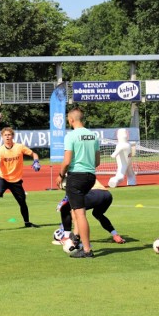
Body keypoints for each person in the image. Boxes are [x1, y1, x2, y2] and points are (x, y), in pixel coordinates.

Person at [56, 107, 100, 258]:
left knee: (80, 214)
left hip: (76, 177)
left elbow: (67, 161)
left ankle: (87, 250)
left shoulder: (71, 136)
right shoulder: (93, 136)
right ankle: (76, 236)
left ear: (71, 120)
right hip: (90, 176)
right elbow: (97, 162)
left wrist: (60, 175)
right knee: (75, 209)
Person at [0, 127, 41, 230]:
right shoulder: (0, 150)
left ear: (12, 136)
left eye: (9, 135)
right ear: (2, 137)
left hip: (16, 180)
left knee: (22, 202)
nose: (7, 137)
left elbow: (34, 154)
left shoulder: (19, 147)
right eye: (5, 135)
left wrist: (36, 161)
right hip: (3, 178)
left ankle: (27, 222)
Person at [56, 179, 125, 246]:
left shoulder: (71, 174)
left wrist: (60, 176)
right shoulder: (84, 171)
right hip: (107, 195)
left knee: (68, 209)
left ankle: (68, 238)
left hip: (93, 194)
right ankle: (115, 235)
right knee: (97, 214)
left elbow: (70, 196)